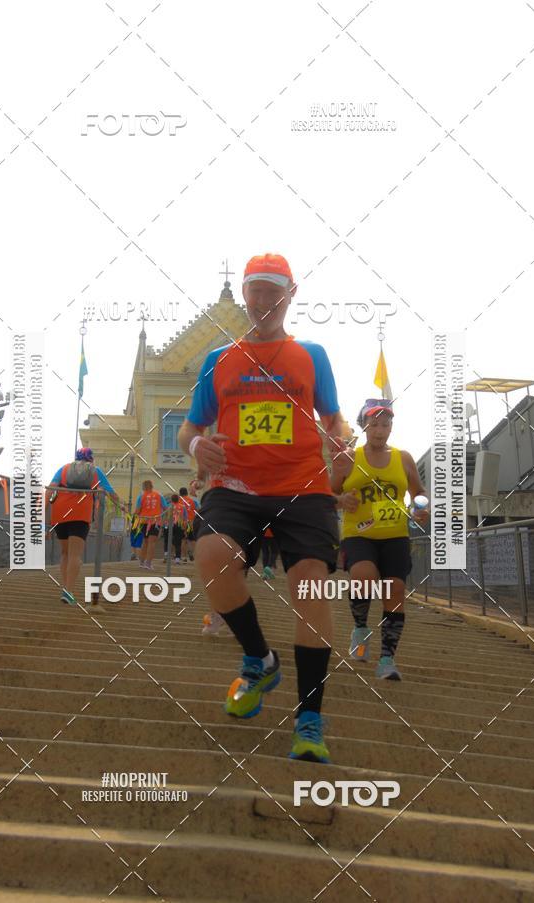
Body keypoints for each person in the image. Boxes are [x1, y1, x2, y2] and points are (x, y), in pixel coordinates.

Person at [178, 252, 351, 763]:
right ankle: (259, 658)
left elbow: (335, 419)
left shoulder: (312, 355)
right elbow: (191, 426)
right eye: (254, 289)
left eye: (273, 289)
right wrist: (194, 448)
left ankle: (309, 717)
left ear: (290, 295)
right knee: (210, 558)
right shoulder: (219, 358)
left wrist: (338, 442)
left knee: (311, 584)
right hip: (236, 486)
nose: (262, 299)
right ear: (246, 295)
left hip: (304, 486)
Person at [332, 399, 429, 680]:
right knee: (363, 575)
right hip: (358, 534)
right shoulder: (350, 457)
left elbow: (419, 492)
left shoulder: (404, 458)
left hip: (396, 534)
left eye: (385, 424)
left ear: (391, 427)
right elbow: (326, 495)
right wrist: (341, 499)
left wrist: (421, 508)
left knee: (395, 589)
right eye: (374, 424)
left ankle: (387, 659)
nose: (380, 430)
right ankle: (361, 628)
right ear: (364, 426)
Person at [46, 447, 122, 608]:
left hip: (60, 514)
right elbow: (111, 493)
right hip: (80, 515)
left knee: (65, 553)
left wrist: (40, 520)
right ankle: (68, 592)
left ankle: (66, 589)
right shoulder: (95, 471)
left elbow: (49, 490)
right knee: (75, 555)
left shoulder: (64, 469)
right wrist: (122, 506)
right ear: (91, 459)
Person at [132, 480, 169, 570]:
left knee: (145, 541)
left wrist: (134, 519)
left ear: (144, 487)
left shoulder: (141, 496)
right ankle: (148, 563)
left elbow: (137, 510)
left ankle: (141, 562)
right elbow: (166, 508)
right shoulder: (159, 495)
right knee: (152, 543)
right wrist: (164, 519)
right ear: (152, 486)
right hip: (155, 521)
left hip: (144, 521)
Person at [162, 493, 184, 564]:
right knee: (178, 543)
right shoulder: (182, 507)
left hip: (168, 525)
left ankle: (166, 555)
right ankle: (177, 559)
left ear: (171, 500)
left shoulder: (168, 506)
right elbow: (185, 518)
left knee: (167, 540)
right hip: (179, 525)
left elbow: (165, 517)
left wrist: (164, 526)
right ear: (178, 500)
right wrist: (184, 528)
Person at [179, 486, 199, 562]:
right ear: (187, 493)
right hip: (191, 522)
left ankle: (184, 557)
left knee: (183, 540)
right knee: (193, 539)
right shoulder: (192, 501)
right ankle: (195, 555)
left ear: (180, 493)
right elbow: (198, 511)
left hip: (182, 523)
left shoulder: (179, 501)